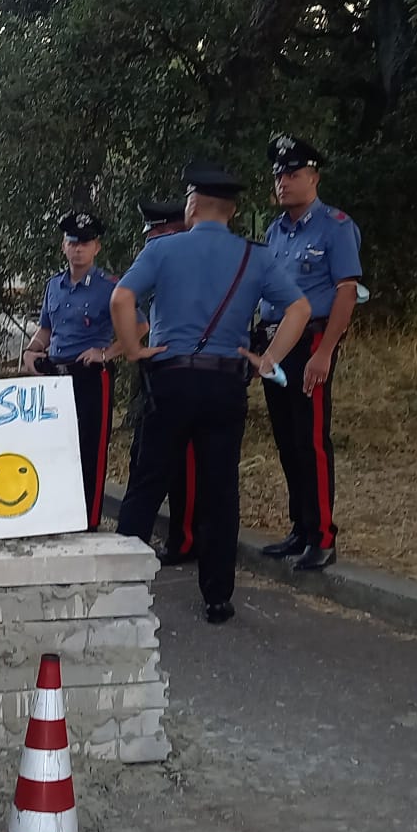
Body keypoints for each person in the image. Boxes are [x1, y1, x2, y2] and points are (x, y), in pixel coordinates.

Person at [110, 162, 311, 625]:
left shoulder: (163, 249)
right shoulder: (255, 257)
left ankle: (120, 588)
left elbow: (122, 298)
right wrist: (268, 360)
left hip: (171, 378)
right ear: (234, 211)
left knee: (147, 483)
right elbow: (299, 307)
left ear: (193, 204)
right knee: (220, 491)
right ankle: (217, 597)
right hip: (225, 382)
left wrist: (134, 349)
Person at [258, 134, 362, 571]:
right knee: (286, 440)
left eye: (294, 174)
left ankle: (322, 535)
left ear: (314, 178)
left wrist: (326, 352)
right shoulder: (274, 230)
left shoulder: (335, 226)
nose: (284, 182)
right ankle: (300, 528)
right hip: (274, 342)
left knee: (311, 440)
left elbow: (346, 292)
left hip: (311, 342)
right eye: (279, 174)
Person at [18, 212, 118, 531]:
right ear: (63, 246)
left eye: (85, 243)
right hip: (56, 377)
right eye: (72, 242)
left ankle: (88, 521)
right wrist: (33, 351)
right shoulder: (54, 286)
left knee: (91, 448)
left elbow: (138, 327)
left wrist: (106, 352)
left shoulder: (110, 288)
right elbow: (46, 329)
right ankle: (58, 516)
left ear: (96, 248)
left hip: (91, 375)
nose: (78, 249)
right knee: (57, 446)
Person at [134, 198, 197, 565]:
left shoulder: (187, 264)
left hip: (183, 368)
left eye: (157, 233)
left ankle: (186, 539)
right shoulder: (164, 261)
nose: (150, 242)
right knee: (151, 456)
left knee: (184, 461)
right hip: (160, 366)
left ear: (174, 230)